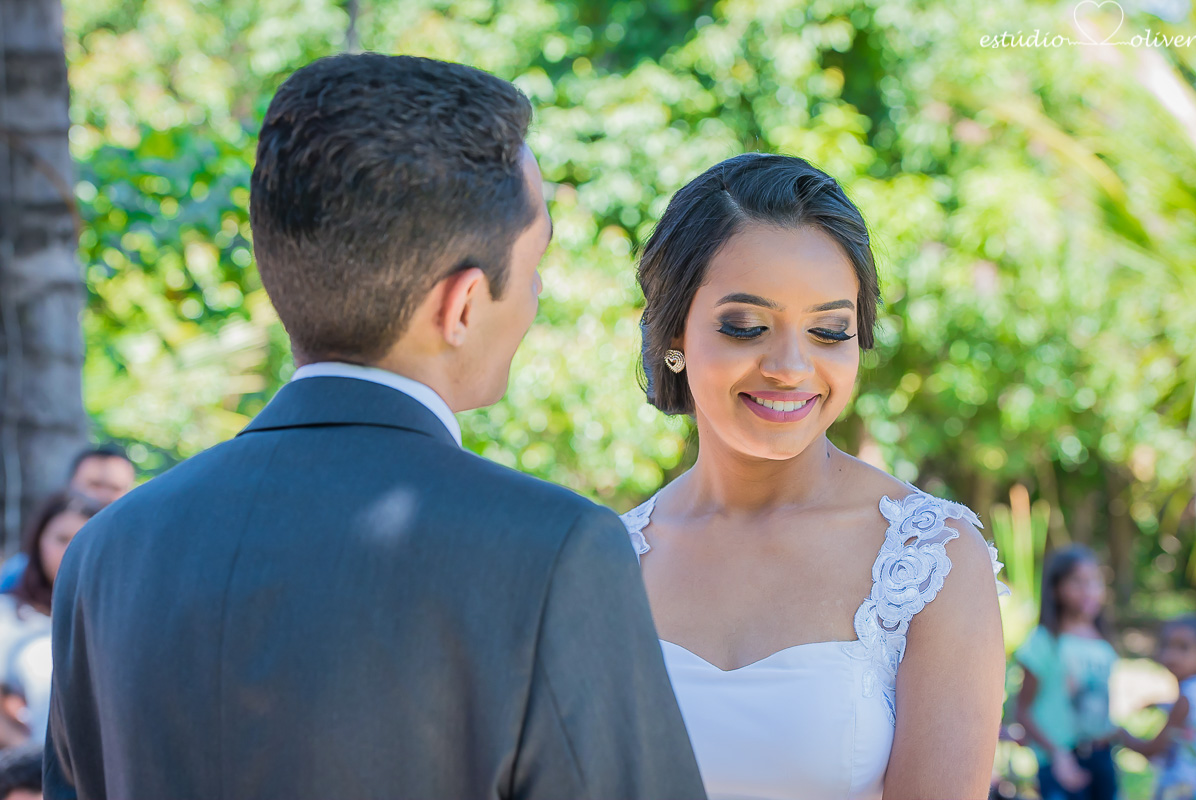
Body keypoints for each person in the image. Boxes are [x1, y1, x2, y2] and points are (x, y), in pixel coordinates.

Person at [46, 54, 705, 800]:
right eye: (535, 263)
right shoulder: (556, 553)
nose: (538, 293)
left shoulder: (104, 555)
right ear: (460, 306)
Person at [619, 152, 1007, 800]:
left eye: (830, 331)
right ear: (673, 335)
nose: (792, 366)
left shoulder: (928, 559)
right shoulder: (608, 557)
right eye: (746, 327)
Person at [1015, 544, 1119, 800]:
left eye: (1095, 582)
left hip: (1101, 756)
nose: (1089, 591)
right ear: (1055, 589)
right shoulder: (1044, 642)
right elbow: (1022, 710)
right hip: (1059, 760)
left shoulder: (1102, 642)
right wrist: (1058, 755)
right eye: (1077, 582)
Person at [0, 491, 102, 746]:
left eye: (83, 540)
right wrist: (31, 757)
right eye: (62, 539)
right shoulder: (9, 615)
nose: (71, 551)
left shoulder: (115, 620)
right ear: (38, 542)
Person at [0, 445, 133, 593]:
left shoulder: (135, 564)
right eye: (95, 485)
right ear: (71, 484)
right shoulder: (19, 575)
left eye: (115, 488)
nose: (103, 496)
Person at [1117, 615, 1196, 800]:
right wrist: (1157, 704)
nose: (1171, 655)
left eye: (1183, 647)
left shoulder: (1185, 700)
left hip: (1179, 789)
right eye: (1166, 645)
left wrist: (1121, 735)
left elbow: (1154, 750)